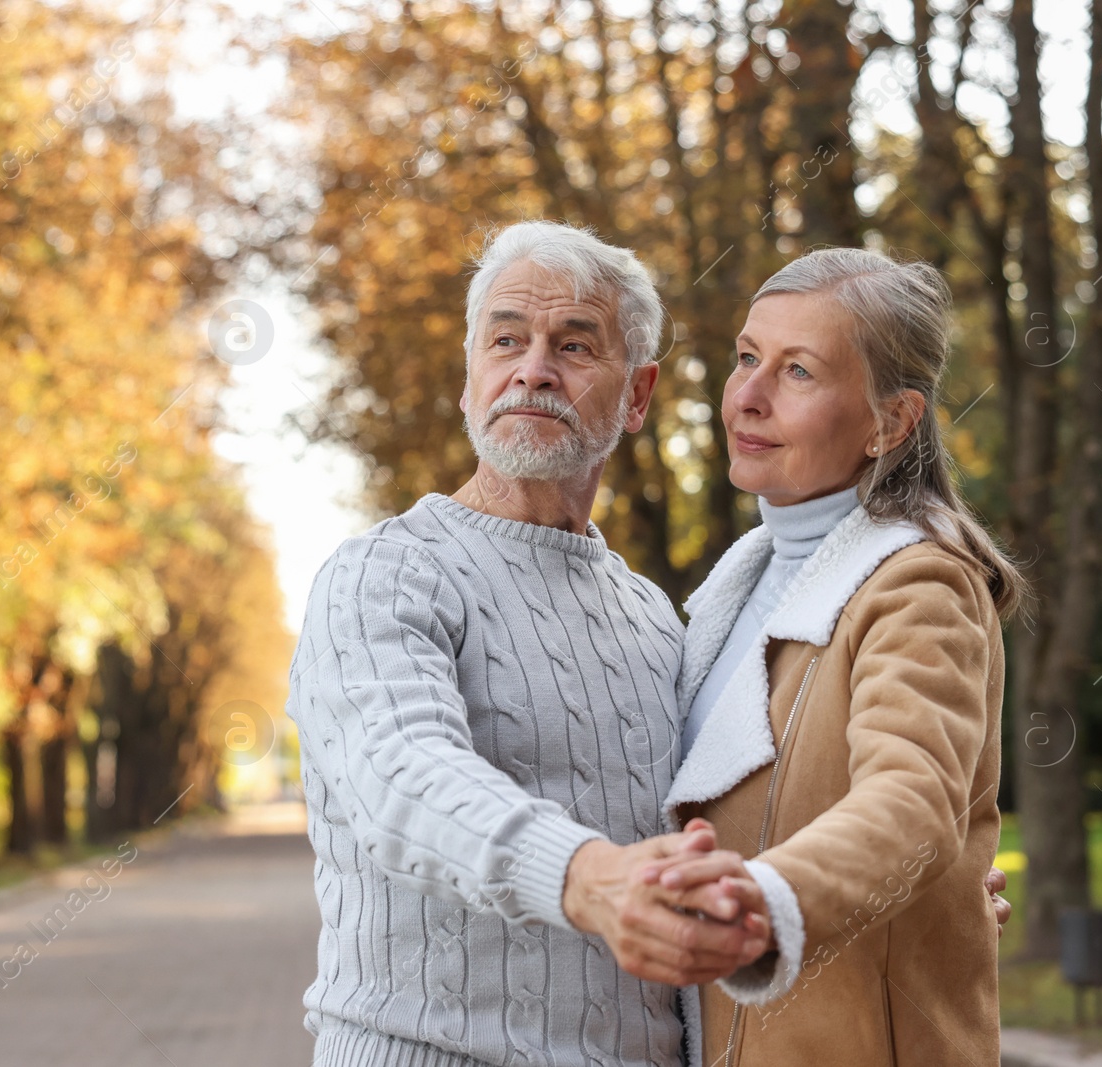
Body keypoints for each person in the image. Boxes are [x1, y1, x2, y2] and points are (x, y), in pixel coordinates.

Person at [286, 221, 770, 1067]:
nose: (533, 368)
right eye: (506, 338)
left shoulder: (658, 619)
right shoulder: (385, 573)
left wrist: (879, 896)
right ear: (472, 380)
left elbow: (718, 826)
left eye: (575, 345)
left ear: (638, 395)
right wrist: (588, 879)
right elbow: (400, 776)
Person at [645, 247, 1021, 1067]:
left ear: (892, 420)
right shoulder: (741, 585)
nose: (746, 395)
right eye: (748, 357)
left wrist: (762, 900)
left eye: (798, 371)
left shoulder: (918, 581)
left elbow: (914, 803)